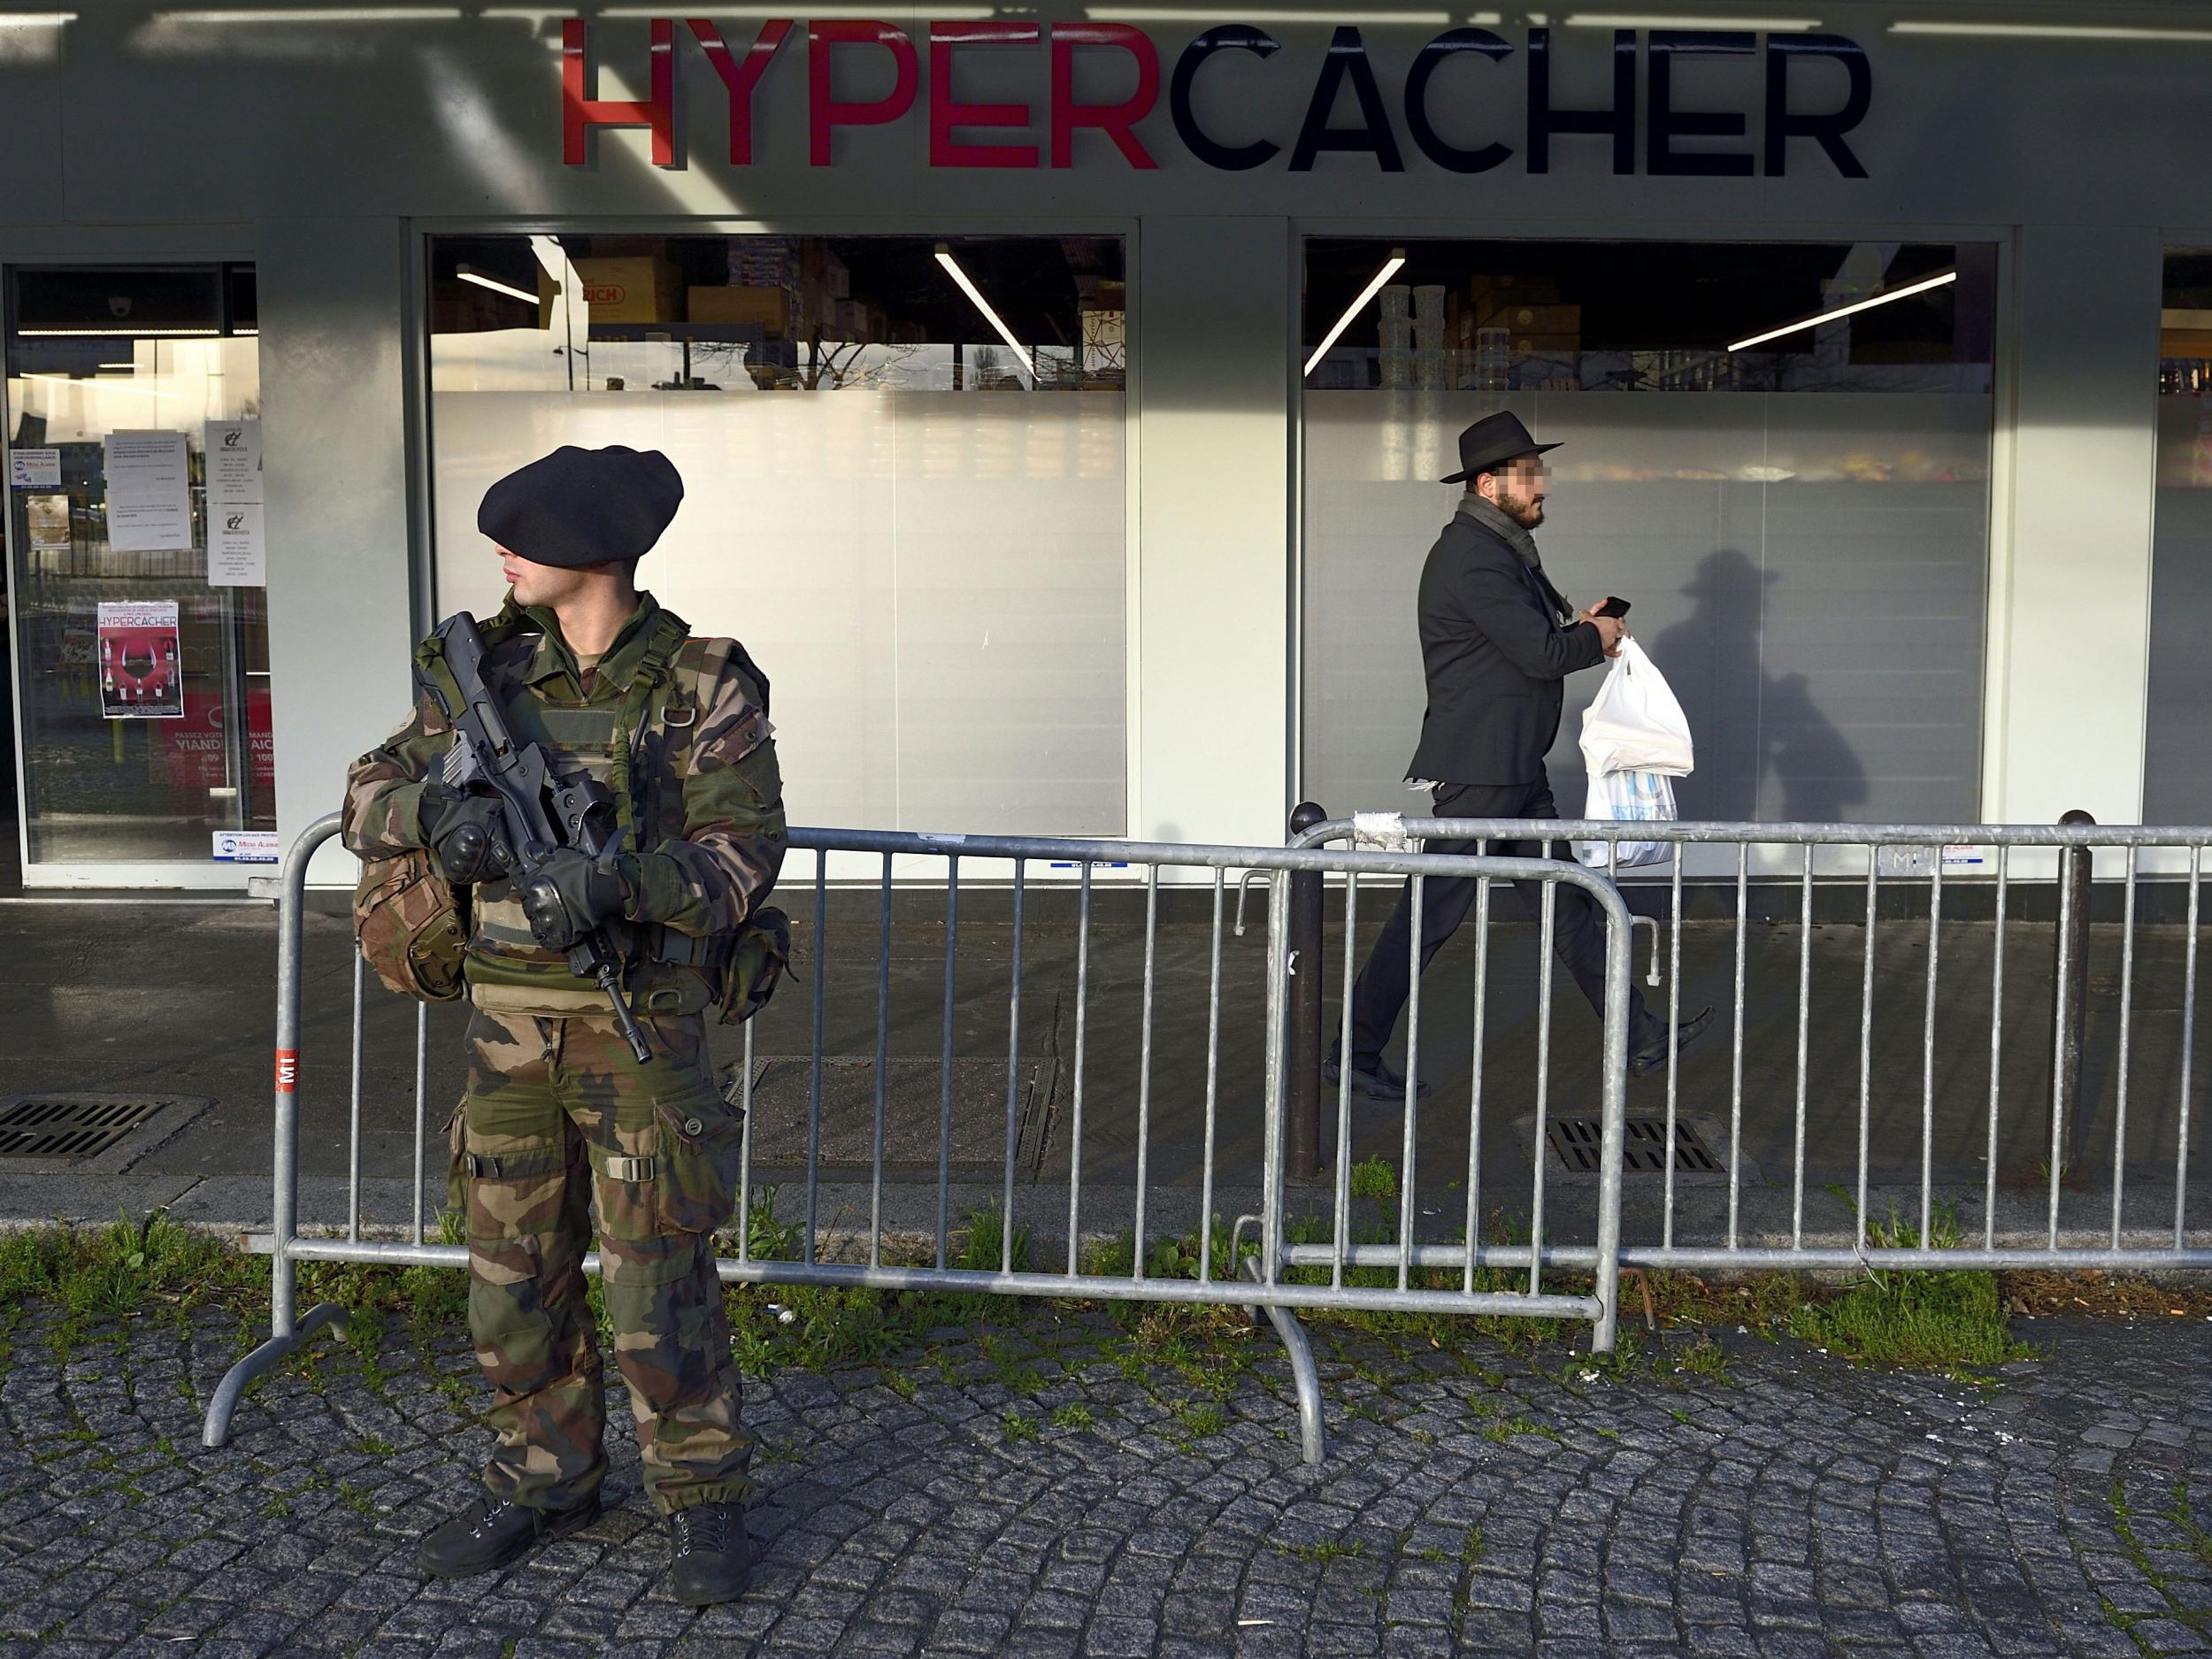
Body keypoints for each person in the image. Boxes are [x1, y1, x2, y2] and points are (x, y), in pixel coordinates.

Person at [342, 444, 784, 1604]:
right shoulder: (481, 673)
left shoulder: (701, 684)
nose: (502, 555)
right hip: (505, 1030)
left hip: (641, 1027)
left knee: (658, 1285)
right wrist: (440, 812)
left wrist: (617, 885)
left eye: (522, 539)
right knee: (511, 1279)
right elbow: (361, 794)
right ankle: (546, 1474)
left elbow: (744, 857)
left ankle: (702, 1500)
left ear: (592, 551)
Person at [1328, 411, 1712, 1101]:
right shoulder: (1472, 556)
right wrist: (1590, 637)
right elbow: (1539, 654)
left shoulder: (1499, 549)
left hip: (1511, 768)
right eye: (1530, 474)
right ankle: (1351, 1051)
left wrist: (1585, 629)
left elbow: (1527, 642)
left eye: (1541, 471)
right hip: (1483, 772)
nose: (1543, 487)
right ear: (1488, 482)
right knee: (1429, 916)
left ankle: (1638, 1034)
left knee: (1569, 904)